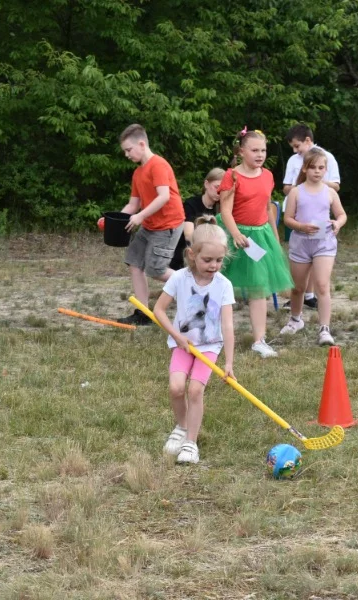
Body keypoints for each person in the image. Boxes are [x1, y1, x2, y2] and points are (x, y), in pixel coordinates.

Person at [153, 216, 235, 464]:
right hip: (182, 344)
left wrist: (229, 362)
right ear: (192, 254)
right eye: (207, 260)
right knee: (176, 388)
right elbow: (158, 310)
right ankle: (181, 426)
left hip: (209, 346)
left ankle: (191, 442)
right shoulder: (179, 278)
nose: (213, 265)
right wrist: (177, 336)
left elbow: (228, 325)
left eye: (219, 260)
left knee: (195, 390)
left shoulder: (224, 285)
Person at [218, 128, 293, 358]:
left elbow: (267, 207)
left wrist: (273, 232)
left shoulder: (268, 175)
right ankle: (212, 333)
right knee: (219, 284)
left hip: (259, 237)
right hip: (234, 235)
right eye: (254, 150)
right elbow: (225, 211)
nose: (259, 154)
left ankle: (259, 340)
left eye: (263, 150)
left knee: (259, 286)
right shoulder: (232, 176)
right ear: (242, 152)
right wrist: (236, 235)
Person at [115, 124, 186, 326]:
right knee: (134, 262)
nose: (127, 155)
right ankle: (144, 312)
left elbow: (163, 197)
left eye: (129, 150)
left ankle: (192, 283)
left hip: (168, 224)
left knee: (156, 270)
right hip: (149, 224)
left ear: (141, 143)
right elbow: (133, 204)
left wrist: (140, 216)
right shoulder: (138, 173)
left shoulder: (158, 165)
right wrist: (113, 220)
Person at [279, 149, 348, 346]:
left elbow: (342, 214)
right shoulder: (295, 192)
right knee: (298, 287)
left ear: (326, 169)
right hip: (301, 242)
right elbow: (287, 219)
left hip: (324, 243)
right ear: (305, 169)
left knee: (323, 285)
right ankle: (295, 320)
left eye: (321, 168)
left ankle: (324, 329)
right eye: (313, 167)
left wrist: (337, 224)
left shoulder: (330, 192)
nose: (317, 172)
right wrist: (301, 226)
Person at [282, 123, 341, 311]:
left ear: (308, 140)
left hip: (319, 217)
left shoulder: (328, 158)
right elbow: (286, 186)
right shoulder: (293, 161)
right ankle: (300, 298)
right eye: (293, 147)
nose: (295, 150)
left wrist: (317, 183)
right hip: (297, 213)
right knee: (301, 258)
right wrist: (301, 189)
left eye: (297, 146)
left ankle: (311, 295)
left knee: (318, 259)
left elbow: (336, 186)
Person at [169, 168, 225, 271]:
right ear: (206, 184)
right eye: (217, 187)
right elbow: (188, 235)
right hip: (185, 255)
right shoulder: (191, 204)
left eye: (223, 189)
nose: (219, 192)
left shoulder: (223, 209)